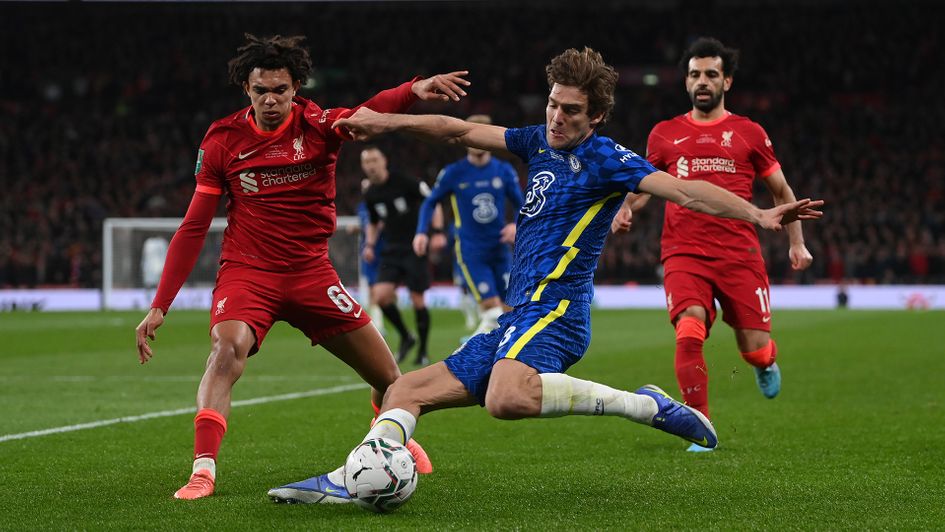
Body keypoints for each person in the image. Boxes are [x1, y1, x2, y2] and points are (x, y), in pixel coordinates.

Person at [270, 47, 822, 503]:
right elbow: (457, 131)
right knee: (404, 390)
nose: (557, 117)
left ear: (595, 117)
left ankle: (643, 405)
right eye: (554, 104)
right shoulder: (537, 141)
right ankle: (352, 480)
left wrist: (758, 214)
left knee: (504, 398)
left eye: (571, 111)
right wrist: (386, 122)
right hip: (519, 315)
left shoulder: (607, 159)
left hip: (558, 312)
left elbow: (683, 190)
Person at [133, 33, 471, 500]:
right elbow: (194, 226)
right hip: (248, 272)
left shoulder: (318, 125)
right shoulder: (222, 140)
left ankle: (392, 439)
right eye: (260, 90)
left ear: (296, 88)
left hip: (312, 273)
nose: (270, 100)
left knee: (391, 381)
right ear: (246, 89)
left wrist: (413, 89)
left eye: (280, 90)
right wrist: (159, 305)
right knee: (225, 349)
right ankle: (203, 470)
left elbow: (369, 111)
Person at [612, 37, 814, 451]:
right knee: (689, 328)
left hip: (740, 254)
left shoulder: (749, 133)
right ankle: (700, 429)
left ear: (727, 81)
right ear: (686, 82)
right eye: (694, 75)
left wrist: (797, 244)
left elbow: (781, 191)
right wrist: (626, 207)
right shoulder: (664, 134)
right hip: (683, 251)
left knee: (754, 350)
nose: (702, 81)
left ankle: (765, 362)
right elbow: (645, 184)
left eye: (710, 74)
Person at [414, 114, 524, 340]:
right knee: (491, 311)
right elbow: (430, 202)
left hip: (500, 249)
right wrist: (422, 232)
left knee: (510, 313)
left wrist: (516, 225)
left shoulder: (503, 171)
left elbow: (521, 204)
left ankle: (490, 352)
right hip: (471, 250)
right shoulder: (454, 173)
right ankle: (467, 351)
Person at [361, 145, 445, 366]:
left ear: (384, 161)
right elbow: (373, 222)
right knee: (381, 296)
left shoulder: (403, 181)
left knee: (417, 299)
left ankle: (423, 351)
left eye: (374, 160)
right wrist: (369, 245)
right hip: (392, 248)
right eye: (366, 162)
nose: (371, 166)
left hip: (414, 245)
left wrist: (437, 231)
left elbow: (432, 201)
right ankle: (407, 336)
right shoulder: (370, 193)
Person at [356, 178, 386, 334]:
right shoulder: (361, 207)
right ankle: (376, 322)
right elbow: (365, 225)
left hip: (381, 251)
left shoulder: (380, 204)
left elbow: (379, 224)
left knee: (378, 288)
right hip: (367, 253)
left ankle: (377, 324)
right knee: (370, 287)